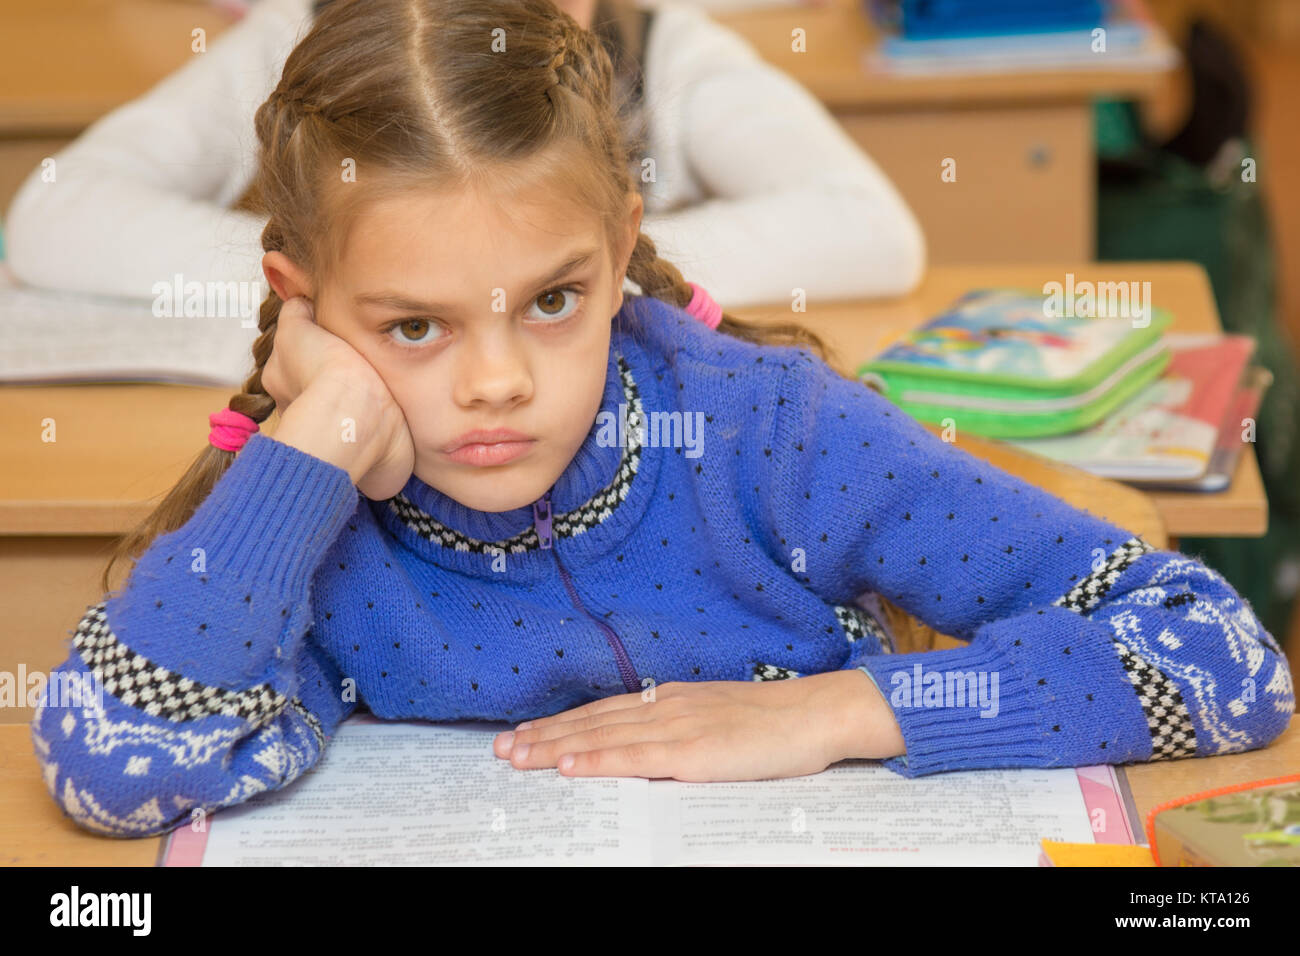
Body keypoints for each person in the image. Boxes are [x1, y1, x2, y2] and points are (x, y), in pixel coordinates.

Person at [31, 0, 1292, 838]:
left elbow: (1220, 660)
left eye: (552, 301)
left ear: (621, 249)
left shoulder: (773, 433)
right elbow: (115, 764)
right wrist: (311, 444)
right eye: (411, 325)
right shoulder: (312, 513)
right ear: (300, 305)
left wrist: (843, 709)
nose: (496, 383)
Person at [2, 0, 925, 309]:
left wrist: (573, 283)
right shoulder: (307, 32)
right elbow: (57, 208)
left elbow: (869, 230)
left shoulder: (666, 50)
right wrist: (355, 292)